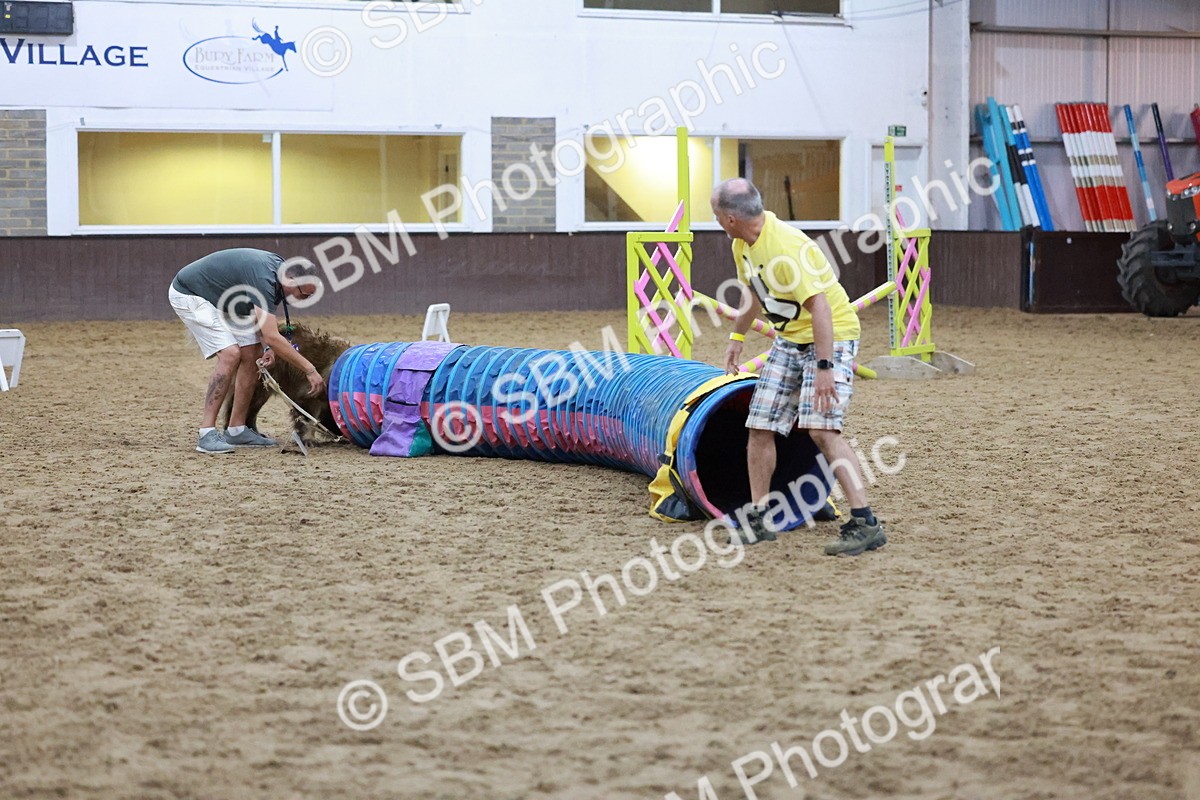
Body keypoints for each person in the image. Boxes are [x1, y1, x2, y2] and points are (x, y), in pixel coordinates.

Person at [712, 178, 886, 556]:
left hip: (832, 336)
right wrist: (736, 339)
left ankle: (865, 521)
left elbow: (820, 307)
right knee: (760, 424)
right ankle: (759, 518)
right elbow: (753, 294)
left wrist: (824, 367)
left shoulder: (789, 248)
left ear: (729, 218)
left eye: (715, 216)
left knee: (822, 430)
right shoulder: (741, 244)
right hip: (790, 339)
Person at [168, 248, 325, 454]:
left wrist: (268, 348)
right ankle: (206, 433)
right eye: (303, 294)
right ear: (290, 280)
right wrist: (310, 369)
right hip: (192, 294)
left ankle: (237, 430)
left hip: (226, 300)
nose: (303, 300)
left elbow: (265, 329)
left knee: (252, 354)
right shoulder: (264, 278)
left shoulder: (279, 275)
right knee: (230, 354)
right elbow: (271, 335)